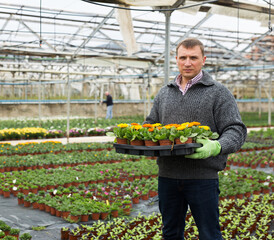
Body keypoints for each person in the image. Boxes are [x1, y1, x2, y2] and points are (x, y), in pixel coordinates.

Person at [144, 38, 247, 240]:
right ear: (176, 60)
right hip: (168, 176)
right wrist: (145, 140)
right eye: (183, 57)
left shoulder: (218, 93)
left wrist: (216, 146)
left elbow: (236, 130)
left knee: (209, 234)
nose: (187, 62)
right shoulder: (165, 93)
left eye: (193, 57)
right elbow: (151, 123)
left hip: (203, 178)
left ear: (203, 60)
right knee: (170, 233)